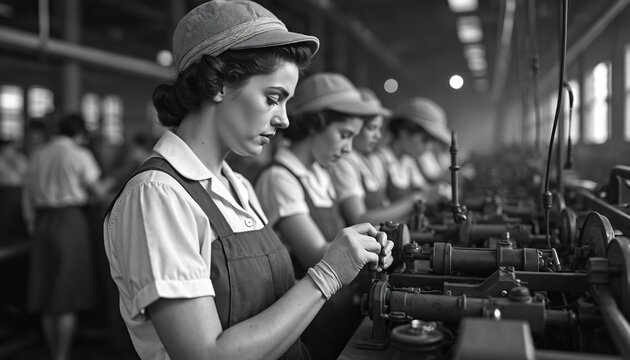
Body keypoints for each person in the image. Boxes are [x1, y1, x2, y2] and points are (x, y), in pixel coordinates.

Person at [103, 2, 394, 360]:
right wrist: (327, 274)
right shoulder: (158, 196)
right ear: (220, 84)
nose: (285, 120)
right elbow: (205, 355)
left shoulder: (237, 186)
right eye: (273, 99)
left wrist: (350, 254)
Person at [255, 73, 385, 359]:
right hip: (305, 319)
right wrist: (369, 246)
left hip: (336, 307)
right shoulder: (280, 178)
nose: (349, 148)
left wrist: (374, 242)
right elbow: (316, 254)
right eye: (344, 135)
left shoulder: (319, 174)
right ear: (314, 124)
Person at [22, 113, 113, 360]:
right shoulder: (78, 154)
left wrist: (32, 223)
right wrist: (114, 180)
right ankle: (61, 356)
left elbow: (27, 194)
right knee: (66, 293)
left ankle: (53, 352)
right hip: (70, 221)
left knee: (46, 291)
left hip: (42, 222)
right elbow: (96, 192)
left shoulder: (38, 153)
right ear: (81, 132)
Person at [330, 89, 424, 226]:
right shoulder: (344, 162)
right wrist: (412, 201)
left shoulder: (368, 161)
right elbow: (358, 219)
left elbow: (383, 207)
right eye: (371, 128)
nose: (378, 136)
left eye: (379, 129)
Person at [369, 97, 451, 203]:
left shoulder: (408, 163)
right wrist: (419, 198)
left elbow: (425, 190)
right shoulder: (379, 161)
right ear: (404, 132)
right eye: (425, 140)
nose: (428, 148)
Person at [0, 138, 28, 242]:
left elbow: (27, 173)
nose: (12, 149)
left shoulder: (20, 158)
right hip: (5, 192)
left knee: (19, 216)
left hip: (21, 190)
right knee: (5, 216)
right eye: (9, 147)